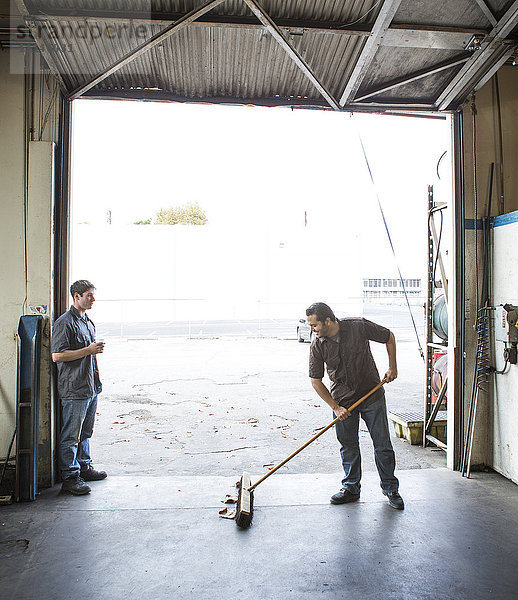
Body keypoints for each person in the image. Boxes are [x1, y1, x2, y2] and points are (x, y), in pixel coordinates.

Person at [306, 302, 404, 510]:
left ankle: (390, 488)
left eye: (314, 325)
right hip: (342, 400)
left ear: (328, 320)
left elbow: (389, 336)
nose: (312, 330)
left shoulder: (358, 326)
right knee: (348, 445)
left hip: (372, 395)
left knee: (382, 444)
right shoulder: (318, 345)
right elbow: (316, 381)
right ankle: (351, 488)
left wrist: (392, 367)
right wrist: (335, 407)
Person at [51, 280, 107, 495]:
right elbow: (57, 356)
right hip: (74, 388)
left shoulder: (87, 321)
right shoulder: (65, 323)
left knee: (85, 431)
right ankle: (70, 477)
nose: (92, 299)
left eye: (93, 295)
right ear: (76, 296)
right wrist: (88, 350)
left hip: (89, 386)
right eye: (88, 296)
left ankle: (84, 467)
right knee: (71, 435)